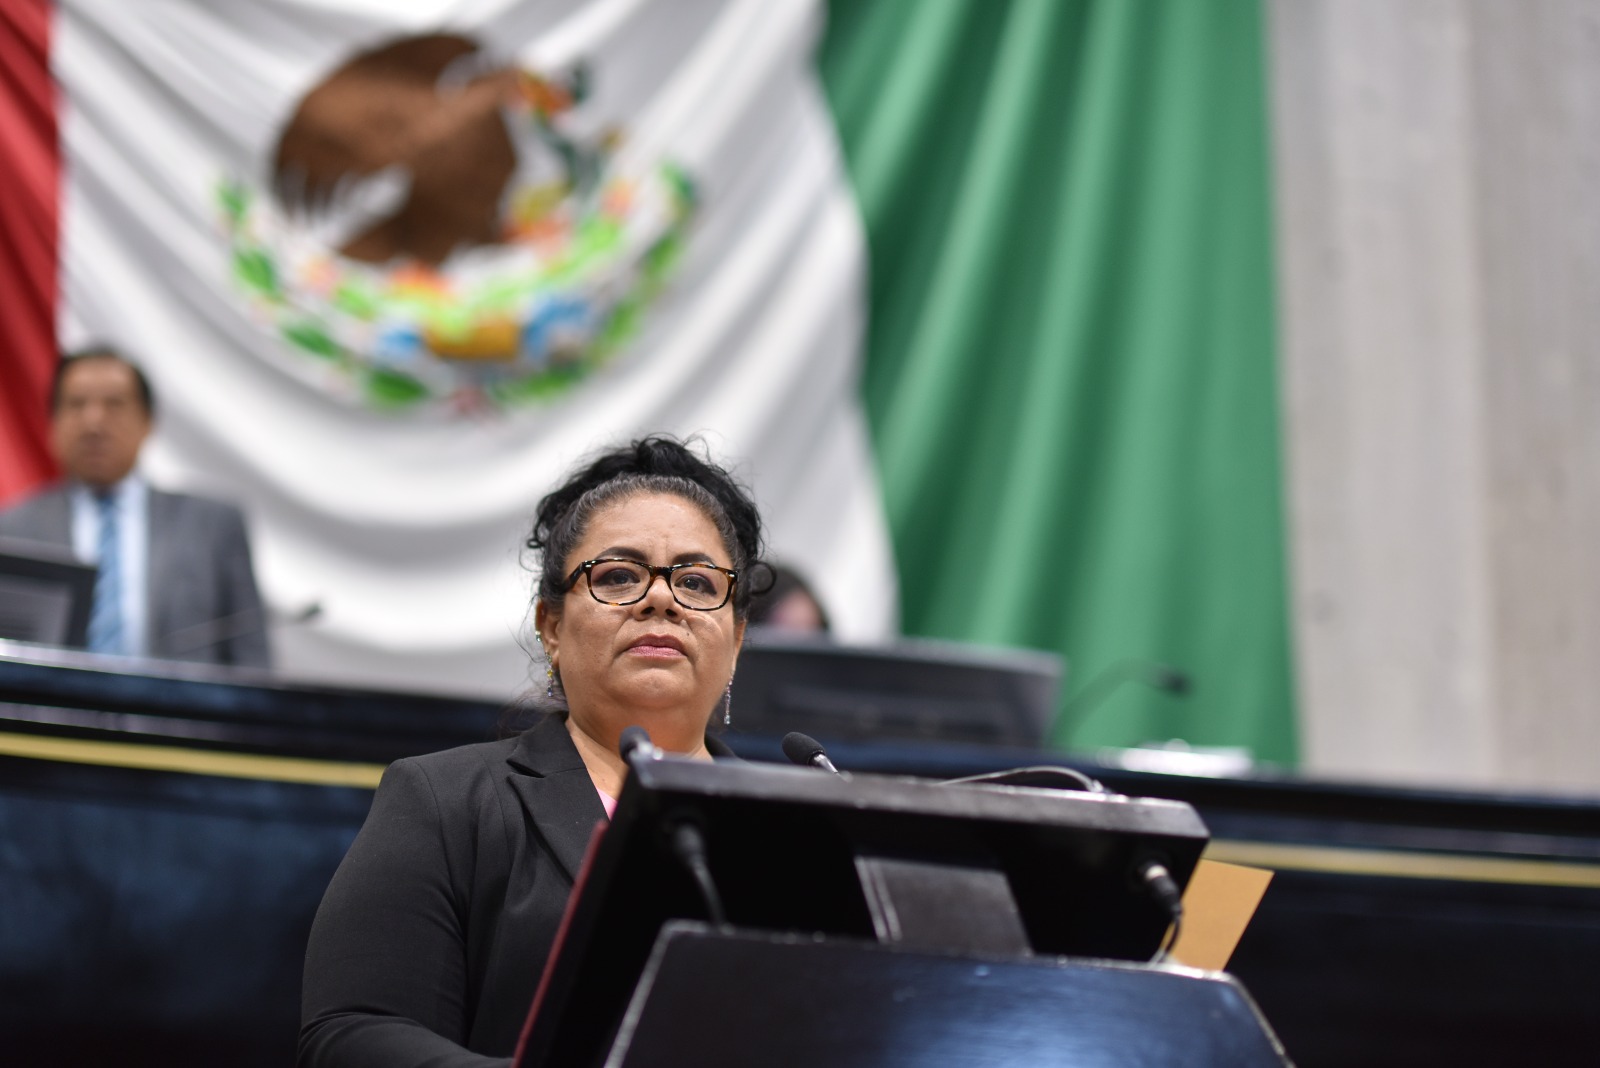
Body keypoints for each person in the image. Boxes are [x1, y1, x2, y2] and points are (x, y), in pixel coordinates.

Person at [298, 436, 761, 1067]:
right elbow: (353, 1035)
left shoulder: (797, 829)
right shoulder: (446, 802)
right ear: (552, 626)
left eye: (697, 582)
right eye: (619, 576)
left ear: (736, 640)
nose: (660, 599)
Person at [0, 346, 271, 668]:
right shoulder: (13, 529)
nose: (94, 422)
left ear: (147, 422)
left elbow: (252, 660)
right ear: (54, 424)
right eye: (77, 404)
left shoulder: (212, 526)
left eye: (114, 404)